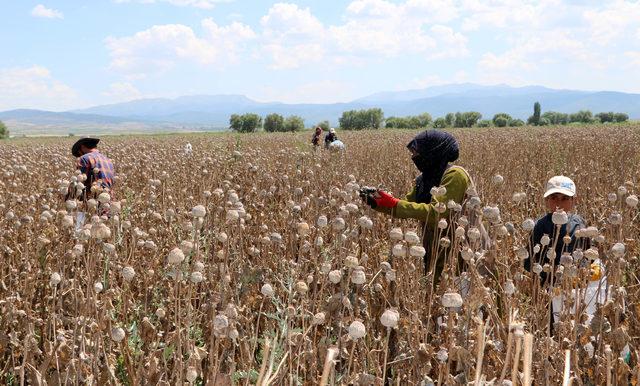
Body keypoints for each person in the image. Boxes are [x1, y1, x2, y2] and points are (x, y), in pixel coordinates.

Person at [360, 130, 474, 280]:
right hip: (435, 250)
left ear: (432, 151)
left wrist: (395, 203)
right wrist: (377, 202)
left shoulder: (455, 175)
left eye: (416, 153)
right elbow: (406, 206)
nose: (413, 157)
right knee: (435, 290)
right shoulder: (424, 179)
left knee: (462, 291)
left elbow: (437, 213)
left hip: (464, 250)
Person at [524, 176, 605, 325]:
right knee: (552, 329)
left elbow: (590, 258)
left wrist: (587, 270)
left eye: (564, 198)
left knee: (577, 327)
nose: (559, 203)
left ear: (575, 200)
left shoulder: (579, 224)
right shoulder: (540, 226)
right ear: (547, 200)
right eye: (554, 198)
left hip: (577, 291)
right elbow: (529, 264)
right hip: (549, 292)